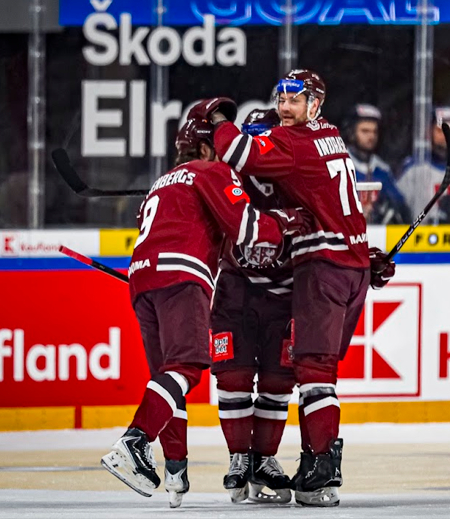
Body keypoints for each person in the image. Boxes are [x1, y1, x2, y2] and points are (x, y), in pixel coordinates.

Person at [99, 99, 309, 508]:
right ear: (206, 145)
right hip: (181, 278)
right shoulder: (211, 171)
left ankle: (174, 468)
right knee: (188, 364)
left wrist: (176, 465)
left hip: (142, 281)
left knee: (168, 376)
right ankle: (135, 441)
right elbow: (248, 229)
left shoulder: (163, 182)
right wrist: (288, 222)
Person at [211, 69, 394, 507]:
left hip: (324, 268)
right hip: (347, 263)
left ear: (315, 104)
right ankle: (296, 461)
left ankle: (320, 469)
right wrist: (366, 256)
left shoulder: (292, 144)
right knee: (304, 369)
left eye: (294, 100)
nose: (284, 108)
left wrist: (215, 118)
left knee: (310, 369)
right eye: (281, 100)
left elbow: (236, 149)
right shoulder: (331, 137)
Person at [210, 108, 297, 505]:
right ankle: (239, 458)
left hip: (284, 297)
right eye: (255, 139)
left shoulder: (300, 180)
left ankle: (264, 459)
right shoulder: (224, 180)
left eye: (267, 139)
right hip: (235, 294)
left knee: (280, 382)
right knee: (233, 377)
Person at [343, 103, 410, 224]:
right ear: (351, 133)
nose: (371, 136)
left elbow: (400, 205)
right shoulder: (338, 164)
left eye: (374, 132)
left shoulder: (382, 170)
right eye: (365, 131)